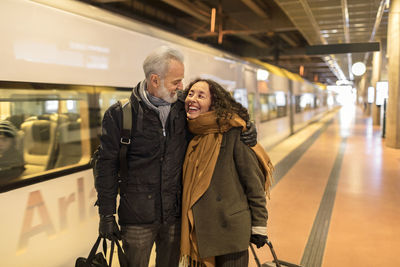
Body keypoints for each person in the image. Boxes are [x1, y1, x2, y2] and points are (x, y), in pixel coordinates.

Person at [94, 46, 257, 267]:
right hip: (136, 219)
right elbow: (106, 167)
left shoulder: (183, 108)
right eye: (176, 82)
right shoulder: (119, 115)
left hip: (174, 216)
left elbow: (220, 116)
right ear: (154, 80)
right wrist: (106, 214)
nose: (182, 87)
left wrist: (246, 124)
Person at [180, 78, 274, 267]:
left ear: (213, 103)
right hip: (200, 230)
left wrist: (259, 226)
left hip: (230, 230)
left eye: (201, 95)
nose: (193, 99)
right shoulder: (189, 132)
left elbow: (253, 182)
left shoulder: (233, 133)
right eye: (190, 94)